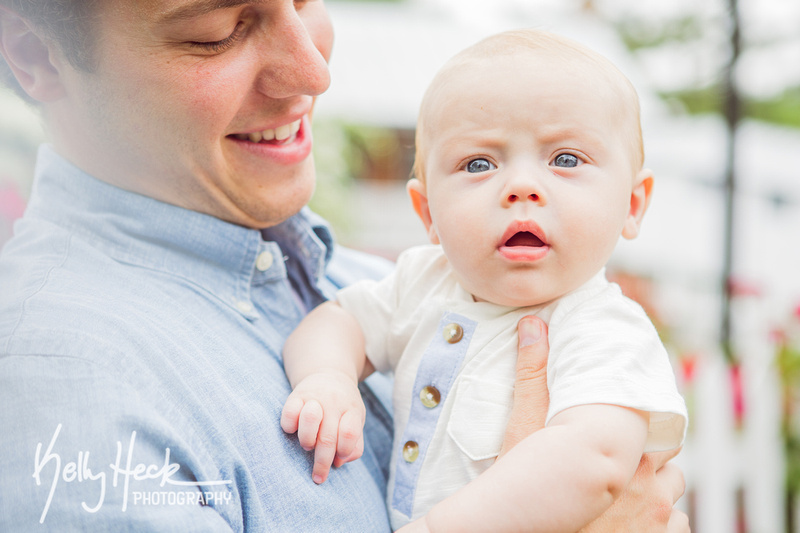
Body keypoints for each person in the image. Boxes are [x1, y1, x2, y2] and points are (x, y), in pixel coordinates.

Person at [0, 1, 687, 530]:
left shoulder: (364, 276)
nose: (314, 71)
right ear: (36, 57)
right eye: (216, 28)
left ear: (634, 202)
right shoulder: (62, 386)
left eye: (304, 0)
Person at [280, 29, 688, 532]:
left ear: (632, 203)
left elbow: (594, 460)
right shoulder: (422, 283)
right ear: (427, 212)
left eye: (565, 159)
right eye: (479, 163)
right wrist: (329, 378)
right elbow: (339, 321)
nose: (521, 187)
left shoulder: (603, 329)